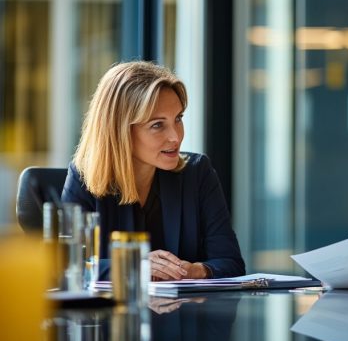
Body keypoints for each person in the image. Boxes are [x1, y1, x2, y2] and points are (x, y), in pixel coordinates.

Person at [62, 61, 245, 281]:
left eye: (178, 119)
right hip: (111, 315)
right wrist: (134, 267)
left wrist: (196, 270)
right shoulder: (83, 179)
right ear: (120, 131)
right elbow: (66, 266)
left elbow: (231, 263)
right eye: (158, 125)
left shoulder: (197, 174)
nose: (176, 137)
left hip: (185, 313)